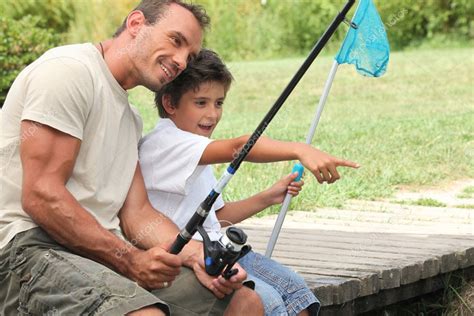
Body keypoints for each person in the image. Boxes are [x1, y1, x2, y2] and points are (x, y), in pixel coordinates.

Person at [0, 1, 264, 315]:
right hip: (29, 249)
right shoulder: (69, 71)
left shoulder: (130, 119)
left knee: (243, 304)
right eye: (175, 41)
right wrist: (129, 259)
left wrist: (196, 254)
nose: (181, 61)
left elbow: (137, 214)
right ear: (136, 24)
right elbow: (42, 195)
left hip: (98, 253)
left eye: (190, 56)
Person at [139, 49, 360, 315]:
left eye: (219, 103)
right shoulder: (165, 144)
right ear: (170, 104)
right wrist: (300, 149)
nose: (212, 114)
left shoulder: (195, 148)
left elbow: (216, 218)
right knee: (270, 302)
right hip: (191, 259)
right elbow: (241, 146)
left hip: (223, 250)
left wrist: (268, 197)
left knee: (296, 291)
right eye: (201, 103)